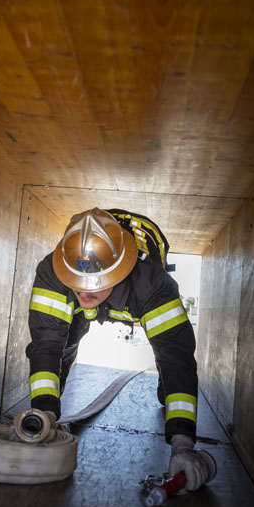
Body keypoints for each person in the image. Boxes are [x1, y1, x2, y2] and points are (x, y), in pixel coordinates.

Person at [25, 207, 208, 491]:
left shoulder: (152, 284)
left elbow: (176, 356)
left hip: (139, 298)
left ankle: (166, 393)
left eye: (94, 284)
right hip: (84, 304)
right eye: (77, 282)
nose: (85, 291)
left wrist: (182, 442)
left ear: (119, 271)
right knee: (64, 344)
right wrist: (44, 413)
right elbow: (46, 345)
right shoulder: (53, 270)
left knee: (168, 371)